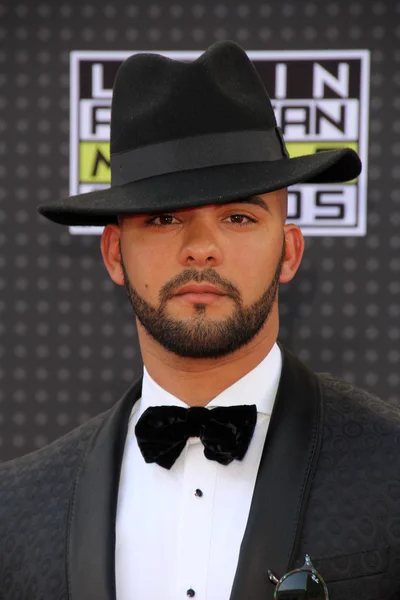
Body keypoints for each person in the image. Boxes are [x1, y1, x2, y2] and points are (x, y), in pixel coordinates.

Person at [0, 40, 399, 600]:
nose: (201, 249)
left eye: (238, 216)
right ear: (115, 254)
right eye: (164, 218)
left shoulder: (391, 468)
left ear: (289, 252)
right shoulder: (16, 509)